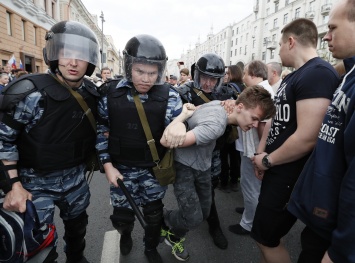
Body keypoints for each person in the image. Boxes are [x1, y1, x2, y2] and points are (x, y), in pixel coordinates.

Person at [0, 21, 100, 263]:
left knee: (78, 228)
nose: (73, 63)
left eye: (81, 56)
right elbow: (4, 141)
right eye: (66, 54)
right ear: (54, 54)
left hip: (75, 179)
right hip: (34, 184)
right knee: (40, 247)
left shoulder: (91, 93)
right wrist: (14, 186)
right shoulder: (31, 94)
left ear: (90, 61)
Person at [251, 18, 339, 263]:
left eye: (280, 44)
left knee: (265, 236)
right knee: (263, 234)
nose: (278, 51)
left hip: (291, 175)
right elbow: (275, 121)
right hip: (277, 169)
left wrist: (267, 161)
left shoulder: (318, 73)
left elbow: (307, 137)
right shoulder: (292, 78)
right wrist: (260, 154)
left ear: (291, 42)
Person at [161, 86, 276, 262]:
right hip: (185, 167)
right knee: (193, 218)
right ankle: (165, 219)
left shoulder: (219, 105)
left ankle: (173, 229)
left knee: (205, 212)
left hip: (203, 167)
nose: (254, 125)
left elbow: (196, 108)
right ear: (239, 107)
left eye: (258, 120)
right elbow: (167, 141)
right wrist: (182, 117)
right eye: (253, 118)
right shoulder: (216, 125)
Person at [96, 34, 184, 263]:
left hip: (152, 171)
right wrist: (107, 166)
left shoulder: (170, 97)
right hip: (121, 170)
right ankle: (125, 235)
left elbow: (179, 129)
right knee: (122, 218)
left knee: (153, 215)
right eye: (140, 72)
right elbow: (101, 130)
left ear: (160, 71)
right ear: (129, 67)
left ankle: (150, 247)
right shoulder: (110, 93)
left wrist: (181, 126)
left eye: (152, 73)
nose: (146, 78)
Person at [287, 1, 355, 262]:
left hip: (337, 233)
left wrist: (341, 250)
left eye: (333, 27)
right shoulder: (348, 75)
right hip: (324, 216)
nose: (326, 35)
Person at [174, 53, 236, 251]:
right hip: (187, 154)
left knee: (209, 190)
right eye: (205, 77)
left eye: (214, 79)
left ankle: (213, 225)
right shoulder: (183, 92)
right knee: (188, 193)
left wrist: (232, 106)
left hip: (214, 154)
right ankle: (176, 222)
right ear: (196, 74)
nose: (209, 83)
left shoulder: (226, 93)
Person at [229, 60, 274, 236]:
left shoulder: (263, 94)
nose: (244, 77)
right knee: (251, 187)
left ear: (254, 75)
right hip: (251, 150)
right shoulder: (260, 92)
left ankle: (248, 224)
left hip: (253, 151)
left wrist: (258, 154)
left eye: (246, 73)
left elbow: (264, 127)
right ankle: (250, 210)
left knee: (251, 187)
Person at [219, 65, 245, 193]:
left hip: (227, 126)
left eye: (227, 73)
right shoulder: (245, 88)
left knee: (223, 155)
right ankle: (234, 181)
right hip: (240, 127)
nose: (225, 76)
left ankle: (224, 182)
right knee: (235, 156)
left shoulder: (225, 88)